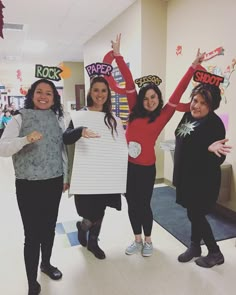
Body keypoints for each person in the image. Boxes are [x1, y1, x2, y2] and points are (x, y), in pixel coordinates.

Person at [107, 34, 205, 257]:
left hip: (145, 169)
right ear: (140, 100)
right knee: (131, 204)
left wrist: (192, 67)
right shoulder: (133, 110)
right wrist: (118, 55)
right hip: (128, 167)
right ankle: (137, 239)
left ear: (158, 98)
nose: (149, 101)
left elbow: (178, 92)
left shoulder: (163, 115)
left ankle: (149, 240)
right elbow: (129, 82)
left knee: (143, 205)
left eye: (153, 97)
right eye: (146, 98)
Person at [0, 79, 69, 295]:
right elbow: (2, 149)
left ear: (54, 98)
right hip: (28, 184)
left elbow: (62, 150)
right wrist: (24, 140)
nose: (43, 96)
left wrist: (66, 176)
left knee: (49, 228)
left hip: (53, 181)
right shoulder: (20, 118)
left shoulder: (58, 118)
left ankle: (46, 264)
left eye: (49, 93)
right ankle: (32, 282)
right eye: (39, 92)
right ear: (32, 94)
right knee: (32, 234)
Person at [63, 76, 125, 260]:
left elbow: (118, 145)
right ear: (90, 92)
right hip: (86, 174)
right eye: (96, 90)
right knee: (88, 212)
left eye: (104, 90)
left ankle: (93, 242)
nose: (100, 94)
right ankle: (82, 227)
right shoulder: (80, 115)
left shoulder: (113, 119)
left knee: (101, 209)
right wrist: (80, 130)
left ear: (108, 94)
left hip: (105, 173)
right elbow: (65, 138)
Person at [173, 81, 231, 268]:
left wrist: (208, 149)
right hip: (186, 176)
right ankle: (195, 247)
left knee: (196, 214)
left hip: (203, 180)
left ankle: (215, 252)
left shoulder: (215, 124)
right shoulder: (187, 116)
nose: (196, 105)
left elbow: (217, 158)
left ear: (211, 106)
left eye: (203, 103)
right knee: (192, 213)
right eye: (195, 100)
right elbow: (183, 140)